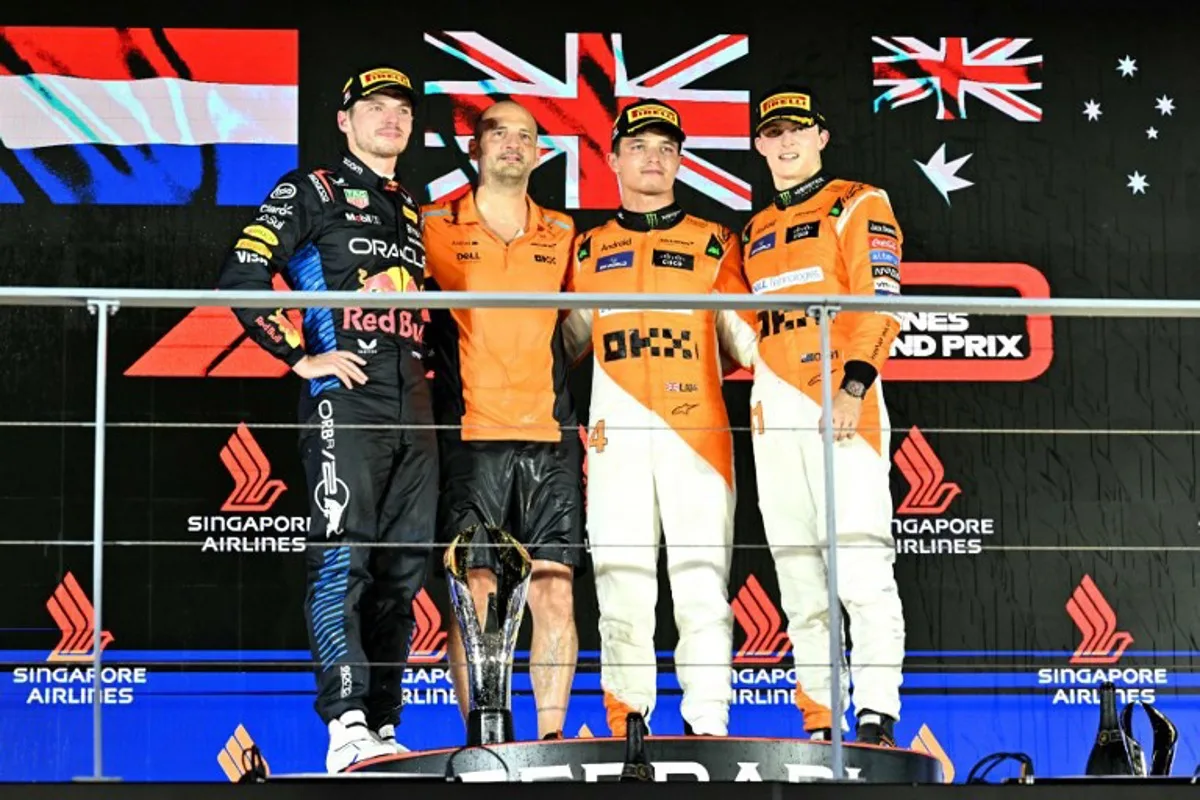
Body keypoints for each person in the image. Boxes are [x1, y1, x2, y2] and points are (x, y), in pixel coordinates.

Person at [216, 66, 436, 772]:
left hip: (416, 409)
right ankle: (344, 722)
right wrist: (298, 357)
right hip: (346, 401)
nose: (390, 119)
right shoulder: (310, 190)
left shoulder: (413, 208)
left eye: (401, 109)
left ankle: (384, 727)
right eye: (375, 107)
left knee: (402, 573)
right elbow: (243, 273)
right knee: (344, 559)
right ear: (345, 120)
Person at [562, 99, 755, 738]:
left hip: (697, 440)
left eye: (666, 147)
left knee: (701, 588)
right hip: (615, 444)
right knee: (622, 590)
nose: (653, 157)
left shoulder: (714, 241)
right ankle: (629, 725)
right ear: (613, 158)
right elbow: (557, 347)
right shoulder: (588, 250)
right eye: (639, 145)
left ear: (680, 160)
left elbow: (752, 345)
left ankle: (709, 722)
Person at [740, 84, 906, 746]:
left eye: (797, 131)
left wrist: (856, 385)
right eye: (773, 133)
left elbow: (881, 297)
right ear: (759, 145)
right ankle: (818, 720)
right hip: (772, 410)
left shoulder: (859, 201)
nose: (785, 143)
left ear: (820, 138)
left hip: (842, 404)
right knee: (798, 576)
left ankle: (877, 718)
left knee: (862, 568)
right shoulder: (751, 231)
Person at [421, 100, 582, 740]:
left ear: (539, 151)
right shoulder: (435, 226)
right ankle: (482, 737)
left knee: (553, 592)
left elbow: (577, 330)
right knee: (476, 593)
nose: (513, 144)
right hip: (470, 434)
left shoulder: (563, 231)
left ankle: (548, 742)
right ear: (476, 147)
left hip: (550, 434)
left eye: (526, 135)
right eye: (499, 133)